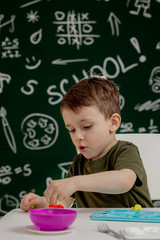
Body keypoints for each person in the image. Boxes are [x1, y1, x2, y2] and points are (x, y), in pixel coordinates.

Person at [20, 76, 154, 211]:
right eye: (71, 130)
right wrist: (41, 203)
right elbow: (64, 202)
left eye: (87, 126)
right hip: (95, 230)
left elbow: (124, 181)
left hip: (137, 227)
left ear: (113, 123)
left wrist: (75, 182)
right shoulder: (79, 163)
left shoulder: (125, 150)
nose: (77, 136)